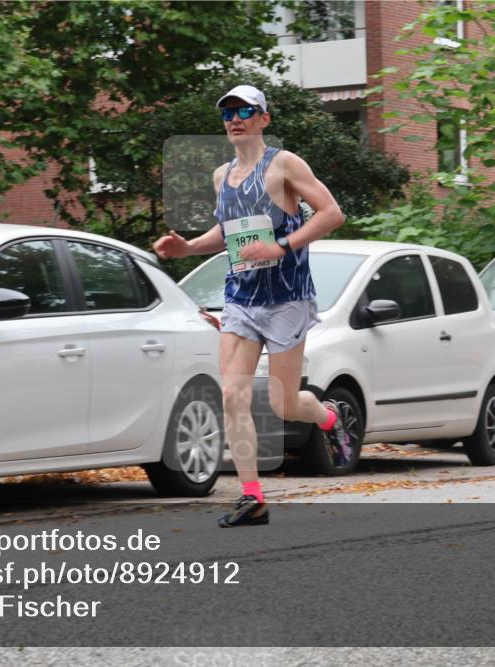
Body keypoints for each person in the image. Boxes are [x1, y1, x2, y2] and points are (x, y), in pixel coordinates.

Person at [153, 84, 353, 527]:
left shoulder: (283, 164)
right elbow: (227, 233)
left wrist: (280, 247)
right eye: (227, 112)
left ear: (264, 118)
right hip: (241, 297)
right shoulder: (222, 176)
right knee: (232, 394)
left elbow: (331, 213)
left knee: (284, 405)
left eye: (245, 110)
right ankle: (251, 497)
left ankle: (326, 415)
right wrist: (186, 249)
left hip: (286, 298)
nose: (235, 118)